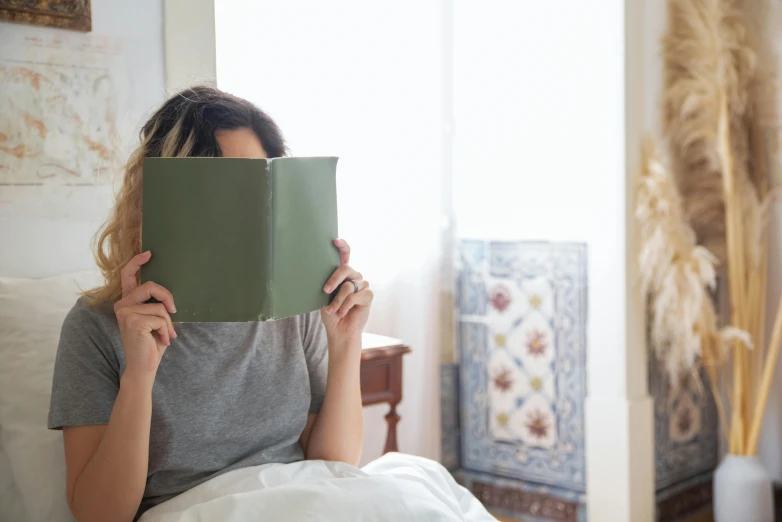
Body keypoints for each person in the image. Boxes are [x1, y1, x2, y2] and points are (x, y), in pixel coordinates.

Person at [47, 86, 372, 522]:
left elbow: (335, 467)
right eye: (225, 192)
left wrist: (347, 344)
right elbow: (99, 515)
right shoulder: (96, 326)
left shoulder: (296, 309)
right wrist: (140, 375)